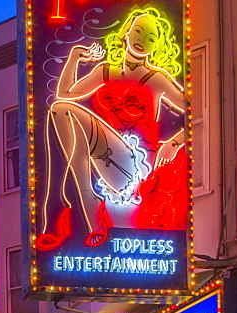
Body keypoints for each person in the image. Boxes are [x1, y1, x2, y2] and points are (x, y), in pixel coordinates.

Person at [36, 7, 188, 250]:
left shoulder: (157, 79)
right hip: (106, 155)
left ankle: (74, 206)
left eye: (150, 38)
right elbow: (63, 94)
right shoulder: (105, 71)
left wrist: (173, 142)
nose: (141, 40)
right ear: (125, 33)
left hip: (137, 165)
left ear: (157, 47)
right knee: (59, 111)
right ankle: (64, 205)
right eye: (138, 31)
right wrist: (75, 56)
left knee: (67, 120)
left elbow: (198, 111)